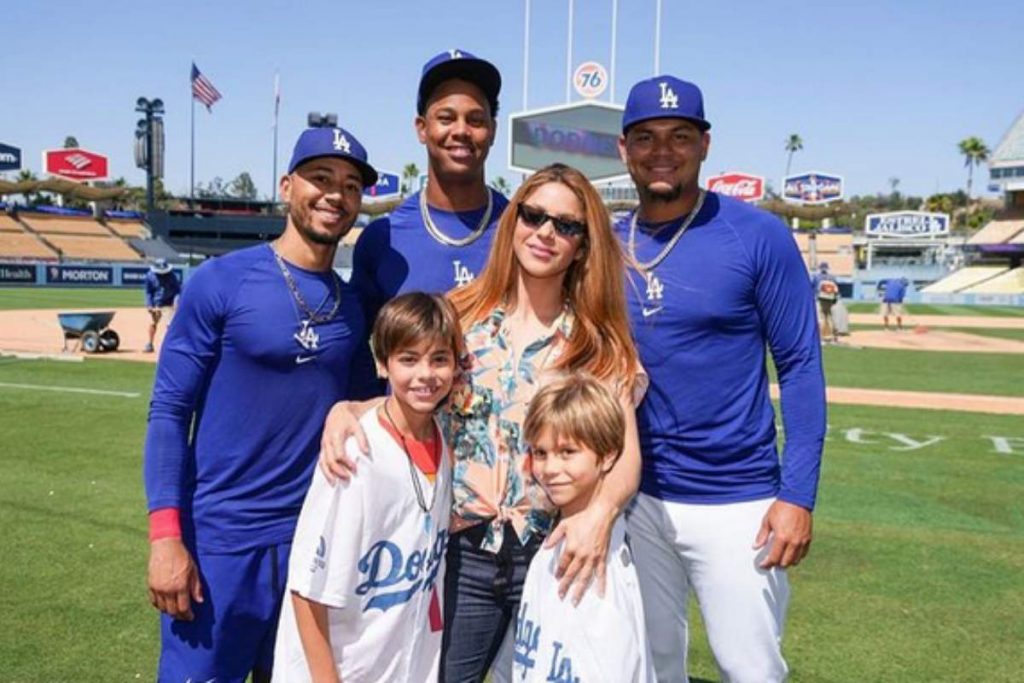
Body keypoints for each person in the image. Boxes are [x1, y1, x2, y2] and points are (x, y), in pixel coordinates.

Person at [320, 163, 644, 683]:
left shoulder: (597, 344)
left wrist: (601, 512)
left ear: (583, 245)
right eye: (534, 216)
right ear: (513, 222)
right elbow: (406, 397)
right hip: (461, 555)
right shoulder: (458, 317)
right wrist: (349, 409)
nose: (545, 233)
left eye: (566, 225)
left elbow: (626, 454)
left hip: (557, 551)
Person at [143, 125, 377, 683]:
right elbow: (170, 412)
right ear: (287, 185)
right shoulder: (219, 281)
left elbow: (374, 405)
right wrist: (166, 538)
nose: (335, 195)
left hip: (311, 546)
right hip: (220, 545)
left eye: (349, 185)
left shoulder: (351, 305)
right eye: (320, 179)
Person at [614, 75, 827, 682]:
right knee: (650, 664)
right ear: (624, 150)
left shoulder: (757, 235)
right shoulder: (605, 241)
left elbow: (802, 366)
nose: (663, 150)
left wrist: (798, 494)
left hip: (738, 499)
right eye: (647, 137)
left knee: (750, 667)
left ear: (705, 145)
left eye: (680, 136)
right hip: (635, 495)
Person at [273, 292, 461, 682]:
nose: (425, 374)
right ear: (382, 363)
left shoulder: (443, 443)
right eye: (408, 359)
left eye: (439, 359)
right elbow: (307, 589)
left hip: (399, 665)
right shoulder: (353, 454)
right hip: (339, 668)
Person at [351, 49, 507, 396]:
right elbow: (358, 355)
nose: (461, 131)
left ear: (493, 131)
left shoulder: (522, 231)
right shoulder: (384, 238)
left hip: (502, 443)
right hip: (409, 443)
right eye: (446, 117)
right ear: (422, 128)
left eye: (476, 120)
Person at [514, 375, 654, 683]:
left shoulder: (594, 566)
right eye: (540, 453)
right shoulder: (560, 541)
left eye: (567, 452)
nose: (550, 469)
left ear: (607, 456)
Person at [143, 258, 181, 353]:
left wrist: (176, 301)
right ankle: (150, 344)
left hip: (168, 303)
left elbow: (177, 290)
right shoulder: (150, 276)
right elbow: (148, 292)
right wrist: (149, 305)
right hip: (156, 304)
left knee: (170, 325)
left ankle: (170, 345)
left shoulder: (172, 276)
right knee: (152, 323)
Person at [813, 261, 841, 343]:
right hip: (830, 299)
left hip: (820, 299)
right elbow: (836, 289)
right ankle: (833, 337)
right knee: (830, 318)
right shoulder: (832, 277)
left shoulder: (816, 277)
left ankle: (821, 338)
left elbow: (813, 287)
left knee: (821, 318)